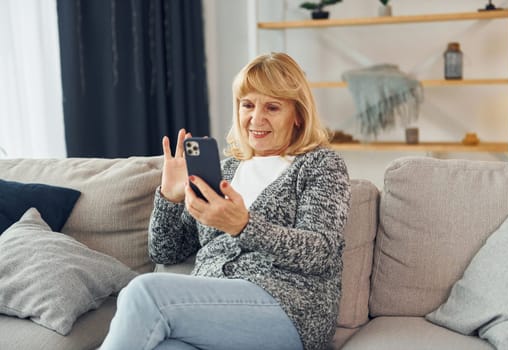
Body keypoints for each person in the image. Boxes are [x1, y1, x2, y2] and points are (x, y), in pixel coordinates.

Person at [100, 52, 351, 350]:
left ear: (298, 115)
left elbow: (320, 251)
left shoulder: (320, 165)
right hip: (213, 310)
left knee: (144, 292)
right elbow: (166, 252)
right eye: (248, 105)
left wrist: (243, 225)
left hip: (289, 308)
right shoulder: (225, 170)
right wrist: (170, 197)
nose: (256, 119)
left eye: (272, 107)